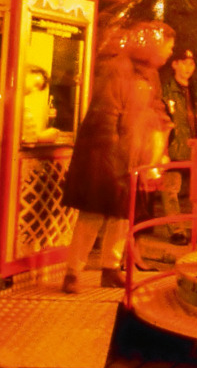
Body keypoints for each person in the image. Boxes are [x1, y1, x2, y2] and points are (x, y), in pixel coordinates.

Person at [61, 24, 170, 292]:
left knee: (122, 216)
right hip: (105, 155)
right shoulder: (117, 69)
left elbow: (154, 106)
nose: (169, 52)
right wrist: (112, 152)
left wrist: (160, 124)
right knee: (94, 215)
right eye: (167, 45)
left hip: (131, 154)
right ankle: (73, 271)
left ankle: (111, 267)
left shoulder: (150, 75)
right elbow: (106, 113)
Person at [157, 47, 197, 247]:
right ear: (174, 64)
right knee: (171, 189)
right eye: (183, 62)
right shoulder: (166, 90)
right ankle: (176, 228)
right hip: (174, 147)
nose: (188, 68)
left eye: (191, 63)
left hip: (195, 146)